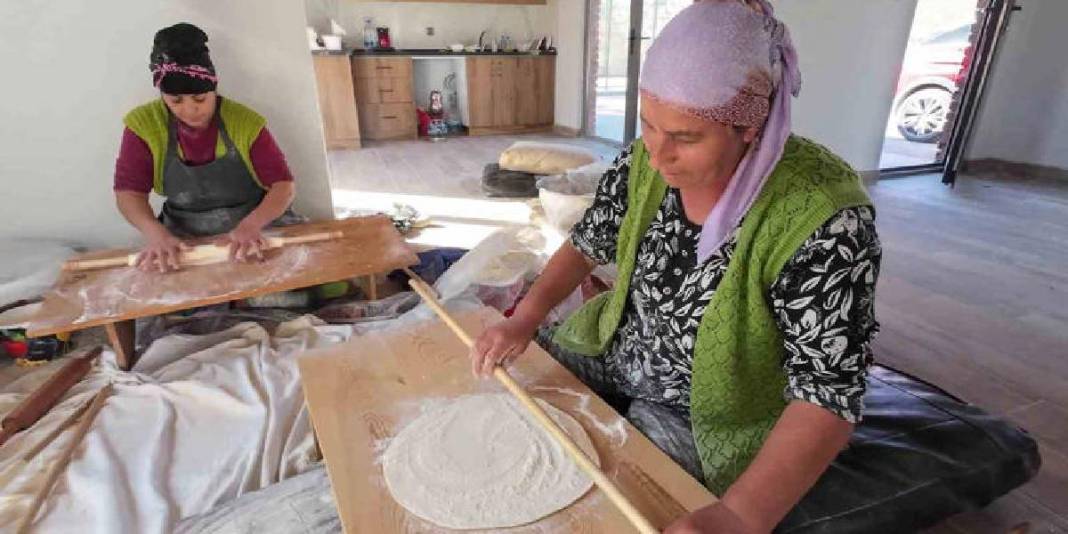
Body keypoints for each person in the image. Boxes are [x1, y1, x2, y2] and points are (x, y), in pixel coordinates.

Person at [470, 1, 882, 532]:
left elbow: (827, 392)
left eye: (686, 138)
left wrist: (740, 515)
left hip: (708, 412)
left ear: (750, 127)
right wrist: (524, 318)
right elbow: (589, 243)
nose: (658, 154)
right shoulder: (643, 161)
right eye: (648, 124)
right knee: (510, 403)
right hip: (618, 348)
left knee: (607, 505)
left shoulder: (823, 219)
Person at [114, 23, 303, 273]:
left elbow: (283, 186)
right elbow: (129, 193)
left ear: (213, 88)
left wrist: (251, 226)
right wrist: (156, 234)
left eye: (200, 98)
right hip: (184, 239)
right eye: (176, 101)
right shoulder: (143, 125)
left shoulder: (244, 122)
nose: (190, 110)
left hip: (255, 229)